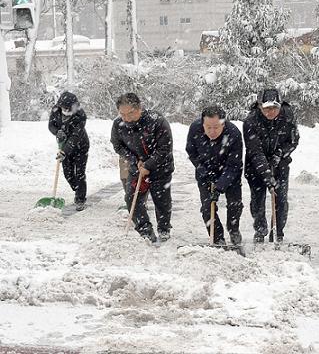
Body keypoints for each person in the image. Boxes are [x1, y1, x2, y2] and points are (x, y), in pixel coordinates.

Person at [110, 93, 174, 243]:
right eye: (122, 114)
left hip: (160, 168)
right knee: (132, 198)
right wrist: (134, 160)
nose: (126, 118)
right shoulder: (118, 125)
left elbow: (165, 148)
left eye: (130, 113)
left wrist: (149, 164)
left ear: (139, 108)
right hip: (136, 168)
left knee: (162, 200)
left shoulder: (156, 121)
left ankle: (164, 228)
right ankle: (145, 229)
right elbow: (117, 145)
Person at [243, 88, 299, 243]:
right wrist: (267, 174)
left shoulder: (288, 117)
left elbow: (293, 141)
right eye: (266, 108)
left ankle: (278, 232)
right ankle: (260, 231)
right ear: (260, 106)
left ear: (280, 106)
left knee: (280, 199)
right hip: (256, 166)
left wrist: (280, 154)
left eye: (274, 108)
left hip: (280, 163)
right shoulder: (251, 121)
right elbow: (255, 151)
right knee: (258, 200)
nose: (270, 112)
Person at [186, 106, 243, 246]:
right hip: (205, 173)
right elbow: (192, 152)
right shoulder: (195, 129)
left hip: (230, 173)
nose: (212, 131)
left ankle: (233, 229)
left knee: (235, 204)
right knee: (207, 207)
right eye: (208, 127)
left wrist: (219, 187)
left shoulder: (234, 133)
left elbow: (233, 165)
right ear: (202, 123)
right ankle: (217, 239)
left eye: (216, 127)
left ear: (223, 123)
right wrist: (203, 170)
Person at [48, 91, 89, 211]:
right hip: (64, 145)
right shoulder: (56, 111)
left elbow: (75, 136)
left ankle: (80, 198)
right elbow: (51, 125)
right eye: (64, 108)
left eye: (69, 108)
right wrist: (57, 132)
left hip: (80, 146)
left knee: (79, 173)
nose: (66, 110)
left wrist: (64, 152)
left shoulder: (80, 115)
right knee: (68, 173)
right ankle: (78, 189)